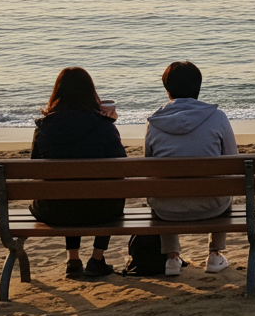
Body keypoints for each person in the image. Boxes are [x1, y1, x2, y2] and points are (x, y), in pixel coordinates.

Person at [29, 66, 127, 279]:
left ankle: (73, 259)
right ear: (91, 93)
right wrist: (110, 122)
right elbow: (121, 167)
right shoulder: (104, 126)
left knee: (67, 192)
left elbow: (34, 166)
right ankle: (97, 259)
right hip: (102, 212)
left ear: (57, 93)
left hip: (54, 210)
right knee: (109, 191)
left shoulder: (44, 127)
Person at [144, 60, 238, 276]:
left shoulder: (154, 121)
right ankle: (215, 255)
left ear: (167, 91)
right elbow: (232, 160)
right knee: (224, 185)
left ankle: (172, 258)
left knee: (160, 187)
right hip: (213, 205)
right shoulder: (217, 117)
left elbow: (149, 166)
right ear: (198, 88)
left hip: (167, 210)